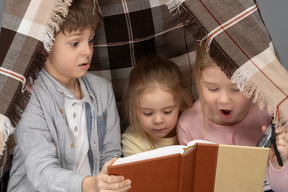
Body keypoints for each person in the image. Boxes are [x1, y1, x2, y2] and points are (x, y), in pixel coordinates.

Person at [7, 0, 131, 191]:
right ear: (46, 42)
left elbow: (111, 153)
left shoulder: (102, 90)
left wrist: (107, 181)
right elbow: (41, 171)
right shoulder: (29, 96)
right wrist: (90, 184)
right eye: (75, 43)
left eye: (90, 40)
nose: (87, 51)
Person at [177, 42, 288, 192]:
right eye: (212, 88)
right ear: (198, 81)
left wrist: (279, 164)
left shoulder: (270, 111)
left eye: (236, 89)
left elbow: (282, 188)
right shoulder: (188, 125)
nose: (223, 100)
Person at [121, 54, 192, 157]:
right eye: (148, 113)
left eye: (167, 111)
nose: (158, 120)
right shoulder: (133, 140)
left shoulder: (191, 127)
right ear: (134, 107)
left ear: (180, 103)